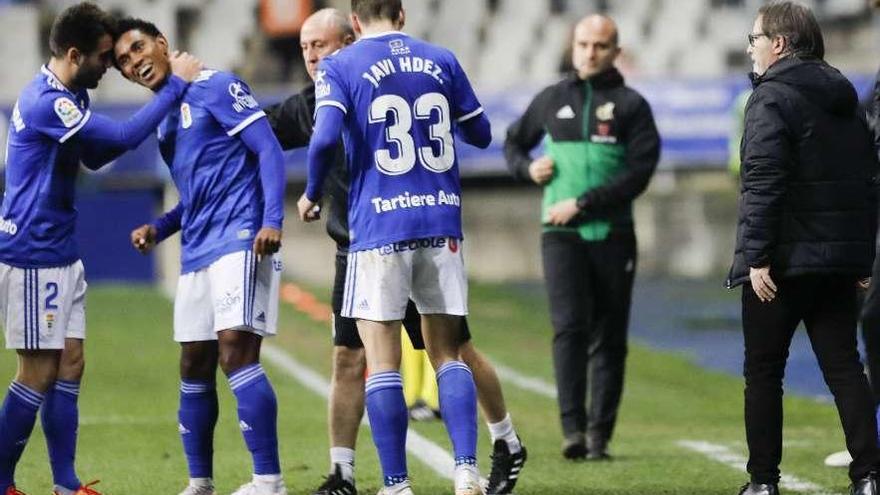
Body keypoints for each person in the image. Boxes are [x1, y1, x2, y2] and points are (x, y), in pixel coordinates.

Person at [264, 8, 526, 494]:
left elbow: (322, 139)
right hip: (440, 220)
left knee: (383, 361)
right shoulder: (440, 59)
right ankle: (465, 470)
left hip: (379, 228)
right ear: (401, 12)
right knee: (447, 355)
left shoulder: (343, 71)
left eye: (317, 44)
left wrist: (310, 191)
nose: (312, 56)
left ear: (355, 25)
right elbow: (483, 134)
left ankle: (397, 483)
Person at [0, 3, 202, 495]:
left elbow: (96, 153)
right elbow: (124, 136)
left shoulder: (71, 94)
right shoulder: (48, 99)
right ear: (75, 54)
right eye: (104, 56)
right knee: (38, 369)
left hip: (60, 250)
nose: (112, 64)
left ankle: (66, 484)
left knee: (70, 363)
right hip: (31, 251)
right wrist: (177, 84)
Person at [115, 17, 287, 495]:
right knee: (193, 363)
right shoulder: (166, 118)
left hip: (242, 236)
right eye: (125, 61)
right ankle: (200, 482)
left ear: (162, 44)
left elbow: (267, 149)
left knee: (235, 350)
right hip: (198, 250)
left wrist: (272, 220)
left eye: (139, 48)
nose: (134, 62)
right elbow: (196, 194)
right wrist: (160, 227)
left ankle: (269, 481)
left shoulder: (217, 86)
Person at [727, 2, 880, 494]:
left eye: (755, 39)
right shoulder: (846, 99)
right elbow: (866, 182)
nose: (750, 48)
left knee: (764, 373)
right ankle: (870, 477)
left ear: (780, 43)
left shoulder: (770, 99)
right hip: (836, 264)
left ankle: (763, 483)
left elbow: (763, 182)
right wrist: (858, 257)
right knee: (845, 369)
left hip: (783, 264)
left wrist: (757, 257)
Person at [503, 14, 660, 461]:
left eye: (601, 46)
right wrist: (527, 168)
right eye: (584, 44)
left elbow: (639, 173)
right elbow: (514, 144)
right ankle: (572, 431)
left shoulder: (632, 106)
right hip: (560, 235)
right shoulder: (551, 100)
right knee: (569, 329)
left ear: (615, 51)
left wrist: (585, 202)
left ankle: (599, 437)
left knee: (609, 336)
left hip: (613, 233)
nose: (590, 52)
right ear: (573, 47)